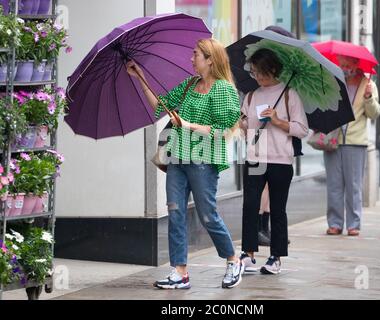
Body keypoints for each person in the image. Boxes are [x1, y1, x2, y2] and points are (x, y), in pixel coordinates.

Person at [126, 38, 243, 289]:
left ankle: (233, 260)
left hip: (204, 159)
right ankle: (180, 271)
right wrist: (140, 77)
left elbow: (225, 129)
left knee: (208, 215)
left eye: (195, 54)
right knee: (176, 212)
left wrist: (188, 125)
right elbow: (160, 108)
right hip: (178, 158)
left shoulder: (223, 89)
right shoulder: (190, 84)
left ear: (210, 60)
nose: (191, 59)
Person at [239, 47, 309, 274]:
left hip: (280, 160)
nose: (258, 77)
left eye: (261, 72)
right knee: (250, 206)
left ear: (273, 69)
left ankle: (275, 257)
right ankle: (248, 254)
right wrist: (241, 123)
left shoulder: (290, 95)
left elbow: (302, 130)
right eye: (254, 72)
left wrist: (278, 121)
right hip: (255, 158)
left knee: (278, 209)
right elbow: (245, 127)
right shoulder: (250, 96)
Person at [324, 55, 380, 237]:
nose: (344, 68)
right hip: (333, 140)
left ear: (356, 64)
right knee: (334, 185)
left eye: (347, 65)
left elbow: (374, 114)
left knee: (353, 185)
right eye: (341, 64)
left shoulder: (368, 84)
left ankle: (353, 224)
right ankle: (334, 223)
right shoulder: (333, 82)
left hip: (355, 142)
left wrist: (369, 98)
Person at [255, 26, 298, 247]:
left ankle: (267, 227)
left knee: (273, 187)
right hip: (261, 136)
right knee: (263, 185)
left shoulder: (286, 76)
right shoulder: (260, 65)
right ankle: (260, 226)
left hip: (280, 138)